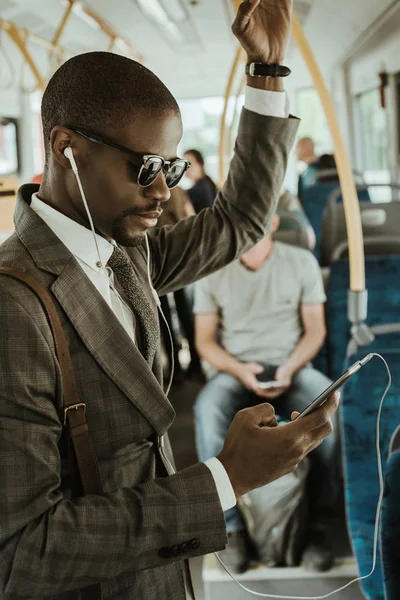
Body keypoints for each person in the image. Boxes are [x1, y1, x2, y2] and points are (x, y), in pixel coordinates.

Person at [0, 2, 339, 599]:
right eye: (144, 167)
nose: (161, 192)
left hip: (168, 575)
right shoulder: (14, 306)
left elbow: (238, 222)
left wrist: (267, 72)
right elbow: (22, 551)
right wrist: (225, 479)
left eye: (172, 168)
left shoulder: (129, 251)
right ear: (64, 147)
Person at [194, 214, 339, 574]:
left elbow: (314, 331)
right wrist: (238, 369)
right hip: (236, 369)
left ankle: (319, 525)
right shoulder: (214, 268)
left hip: (291, 363)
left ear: (274, 221)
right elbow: (205, 342)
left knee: (331, 404)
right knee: (207, 409)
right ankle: (230, 527)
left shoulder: (300, 262)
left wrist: (290, 367)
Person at [156, 187, 202, 382]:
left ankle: (175, 370)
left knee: (164, 315)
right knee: (185, 312)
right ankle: (196, 365)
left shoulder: (146, 188)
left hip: (156, 256)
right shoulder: (177, 190)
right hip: (178, 255)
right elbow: (190, 218)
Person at [183, 148, 217, 213]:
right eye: (185, 165)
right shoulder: (208, 181)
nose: (186, 168)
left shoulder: (201, 188)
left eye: (190, 164)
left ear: (201, 165)